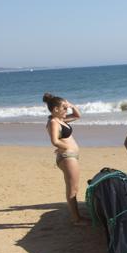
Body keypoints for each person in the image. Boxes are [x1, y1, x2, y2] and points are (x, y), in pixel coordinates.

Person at [44, 93, 83, 224]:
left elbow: (78, 116)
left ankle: (76, 217)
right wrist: (67, 148)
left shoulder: (61, 120)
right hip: (67, 157)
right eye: (64, 108)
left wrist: (70, 105)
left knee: (74, 188)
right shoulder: (54, 122)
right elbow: (54, 140)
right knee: (72, 189)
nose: (67, 111)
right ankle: (76, 219)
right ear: (55, 109)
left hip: (70, 156)